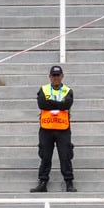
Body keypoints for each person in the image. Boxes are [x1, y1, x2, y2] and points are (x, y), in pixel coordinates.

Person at [31, 65, 76, 193]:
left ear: (62, 76)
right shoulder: (44, 89)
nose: (56, 78)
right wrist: (59, 105)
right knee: (45, 155)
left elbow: (67, 104)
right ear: (50, 77)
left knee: (65, 155)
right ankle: (43, 181)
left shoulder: (68, 90)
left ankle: (69, 182)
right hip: (47, 128)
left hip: (63, 128)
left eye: (58, 75)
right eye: (53, 76)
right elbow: (41, 104)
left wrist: (51, 104)